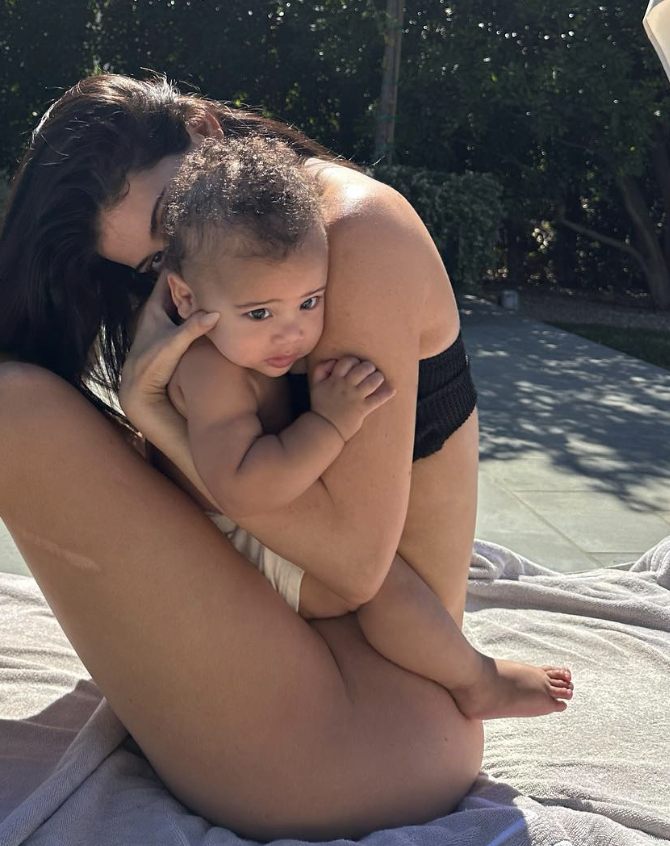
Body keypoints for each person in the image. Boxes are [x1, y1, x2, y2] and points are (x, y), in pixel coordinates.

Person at [0, 73, 515, 840]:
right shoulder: (221, 268)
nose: (173, 265)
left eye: (170, 221)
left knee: (3, 414)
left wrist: (155, 414)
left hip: (367, 732)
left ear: (205, 134)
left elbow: (354, 567)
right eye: (154, 260)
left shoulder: (351, 236)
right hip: (293, 670)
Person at [157, 135, 573, 719]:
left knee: (384, 582)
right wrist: (330, 422)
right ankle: (476, 679)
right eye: (260, 313)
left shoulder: (242, 347)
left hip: (269, 536)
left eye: (310, 301)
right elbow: (243, 485)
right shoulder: (209, 370)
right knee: (383, 590)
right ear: (183, 296)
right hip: (243, 551)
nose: (293, 334)